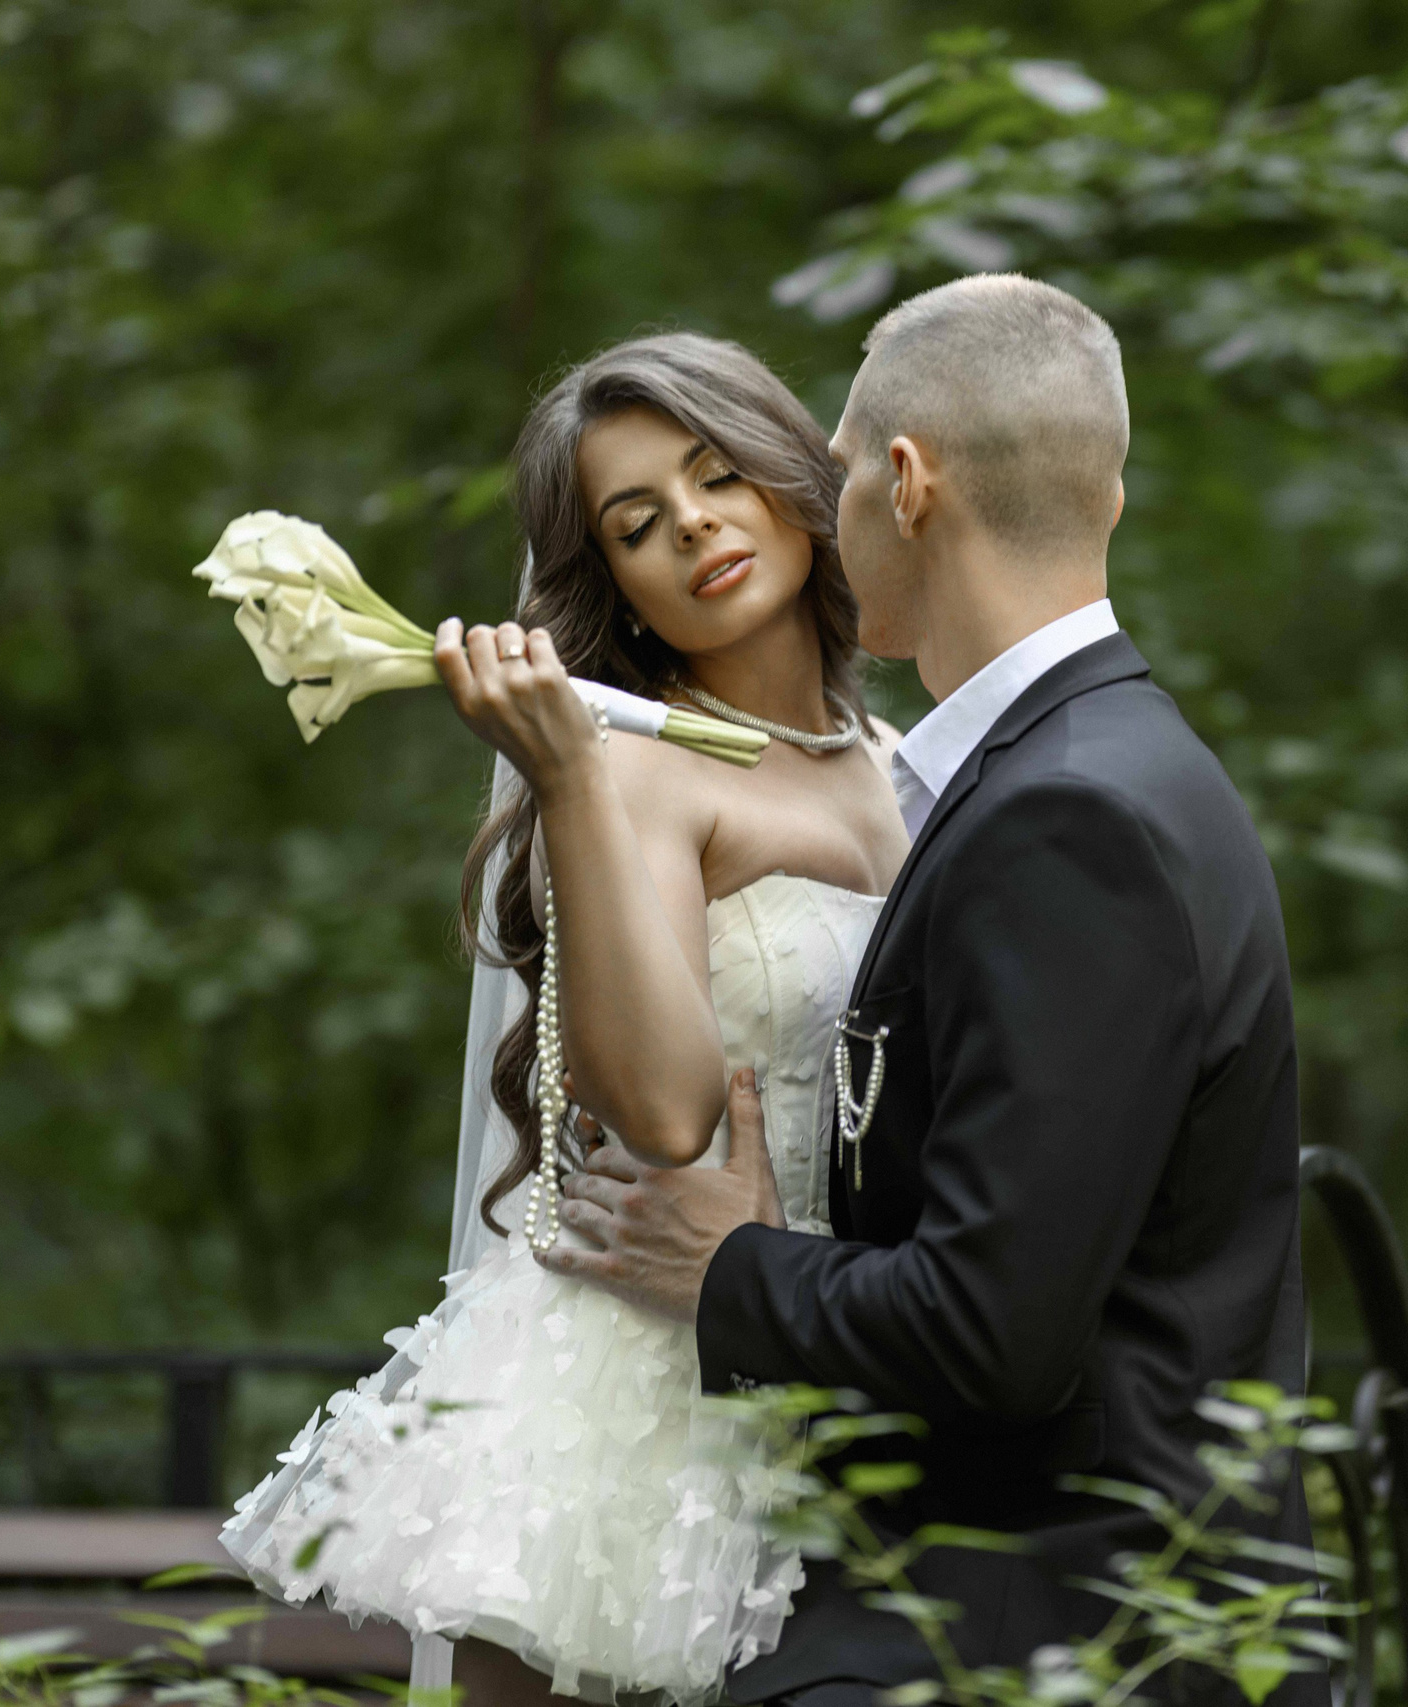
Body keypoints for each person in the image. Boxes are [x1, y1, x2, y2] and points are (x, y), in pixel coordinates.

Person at [539, 276, 1322, 1707]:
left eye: (830, 469)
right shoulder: (1102, 765)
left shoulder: (1063, 820)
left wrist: (729, 1268)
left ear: (904, 485)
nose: (823, 504)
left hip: (1067, 1617)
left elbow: (994, 1333)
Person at [219, 331, 909, 1707]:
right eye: (638, 524)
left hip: (838, 1341)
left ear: (792, 479)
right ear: (622, 591)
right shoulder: (632, 777)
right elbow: (660, 1111)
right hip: (642, 1389)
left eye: (718, 475)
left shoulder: (900, 766)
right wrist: (574, 782)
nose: (695, 527)